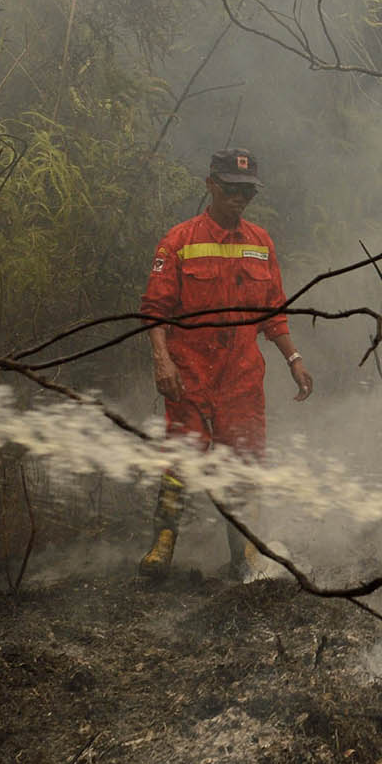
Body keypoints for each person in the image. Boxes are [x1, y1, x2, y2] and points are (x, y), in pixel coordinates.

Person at [137, 147, 313, 578]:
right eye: (232, 189)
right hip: (191, 375)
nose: (240, 198)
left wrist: (293, 358)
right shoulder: (179, 241)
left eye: (248, 191)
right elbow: (155, 310)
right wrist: (163, 362)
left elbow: (274, 312)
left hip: (242, 378)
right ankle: (163, 543)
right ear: (211, 186)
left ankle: (244, 553)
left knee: (244, 461)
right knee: (182, 458)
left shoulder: (260, 243)